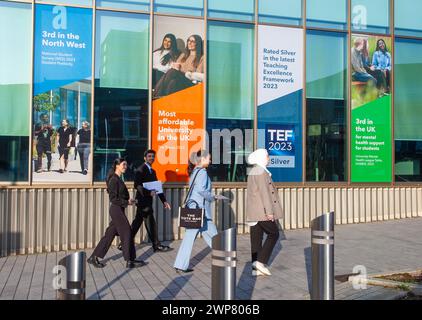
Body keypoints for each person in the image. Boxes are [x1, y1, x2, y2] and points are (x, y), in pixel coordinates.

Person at [173, 150, 225, 273]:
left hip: (198, 210)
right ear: (202, 159)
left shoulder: (195, 172)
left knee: (212, 234)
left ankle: (223, 256)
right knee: (191, 237)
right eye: (208, 158)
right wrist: (213, 197)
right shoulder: (201, 173)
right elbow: (202, 191)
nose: (210, 161)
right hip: (198, 211)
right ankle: (180, 264)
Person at [88, 158, 145, 269]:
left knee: (109, 235)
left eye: (126, 165)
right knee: (127, 233)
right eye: (123, 164)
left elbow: (118, 197)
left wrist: (129, 201)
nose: (125, 166)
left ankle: (93, 257)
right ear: (117, 166)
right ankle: (130, 260)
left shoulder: (118, 178)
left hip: (118, 209)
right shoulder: (114, 179)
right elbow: (113, 199)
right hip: (116, 210)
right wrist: (126, 202)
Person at [118, 149, 172, 253]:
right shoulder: (141, 169)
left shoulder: (153, 171)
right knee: (150, 222)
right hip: (143, 201)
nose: (151, 158)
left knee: (137, 223)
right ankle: (156, 245)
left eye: (153, 156)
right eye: (149, 156)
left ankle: (123, 243)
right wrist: (148, 193)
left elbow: (157, 187)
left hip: (147, 201)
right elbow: (136, 185)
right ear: (145, 158)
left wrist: (164, 201)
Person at [246, 149, 283, 276]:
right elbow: (265, 193)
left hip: (254, 211)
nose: (269, 158)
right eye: (267, 156)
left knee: (256, 238)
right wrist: (269, 212)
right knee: (274, 234)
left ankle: (256, 268)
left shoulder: (255, 170)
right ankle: (260, 262)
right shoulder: (261, 172)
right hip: (261, 211)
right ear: (261, 157)